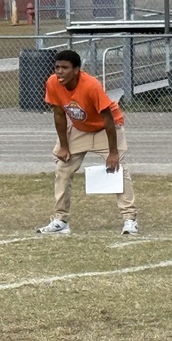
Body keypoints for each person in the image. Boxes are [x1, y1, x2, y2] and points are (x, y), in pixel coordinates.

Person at [36, 49, 138, 236]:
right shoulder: (53, 83)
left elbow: (107, 118)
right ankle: (60, 221)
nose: (59, 72)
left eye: (64, 68)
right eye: (57, 67)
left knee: (118, 169)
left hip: (105, 128)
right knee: (62, 168)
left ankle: (130, 220)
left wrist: (113, 153)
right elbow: (59, 115)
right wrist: (64, 145)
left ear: (76, 70)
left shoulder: (91, 85)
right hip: (80, 128)